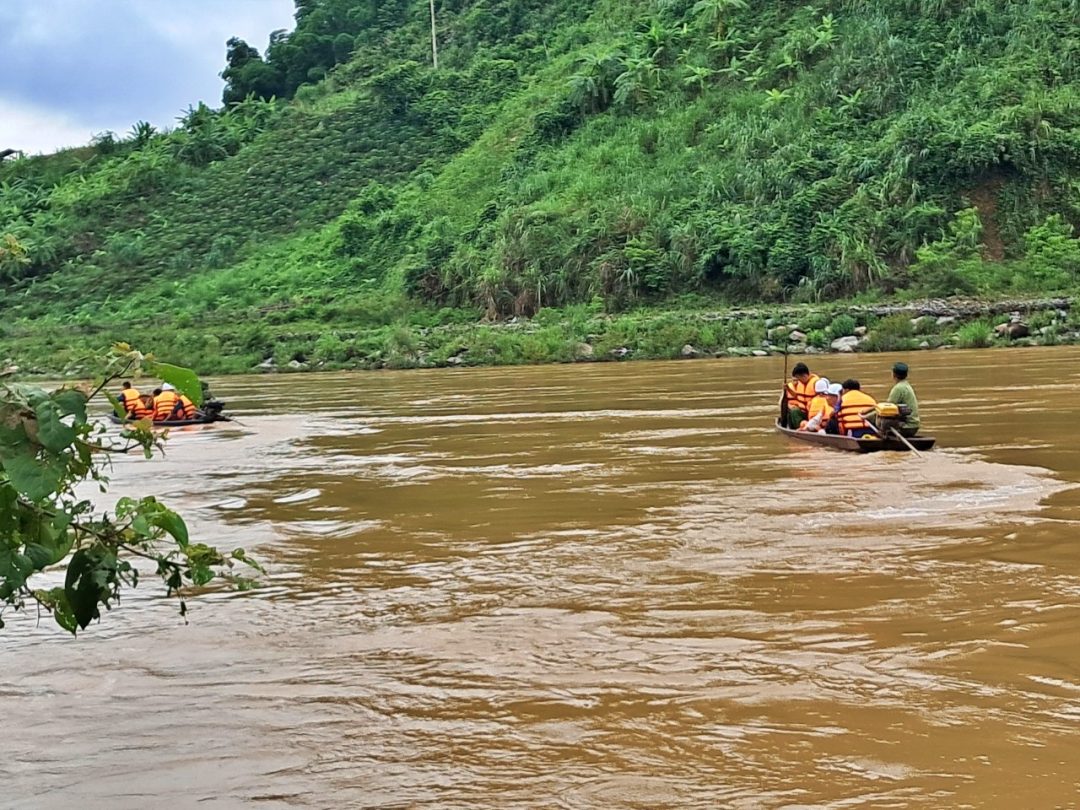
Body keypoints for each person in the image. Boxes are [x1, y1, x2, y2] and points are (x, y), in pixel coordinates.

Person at [884, 361, 920, 437]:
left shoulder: (898, 388)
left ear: (893, 374)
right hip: (914, 425)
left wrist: (868, 416)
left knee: (879, 419)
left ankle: (884, 437)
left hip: (906, 427)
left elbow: (887, 408)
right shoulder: (907, 385)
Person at [782, 362, 820, 429]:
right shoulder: (800, 383)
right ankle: (800, 427)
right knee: (793, 412)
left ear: (804, 376)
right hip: (804, 412)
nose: (798, 381)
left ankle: (807, 428)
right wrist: (788, 388)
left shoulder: (816, 383)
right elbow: (797, 396)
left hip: (814, 413)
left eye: (799, 378)